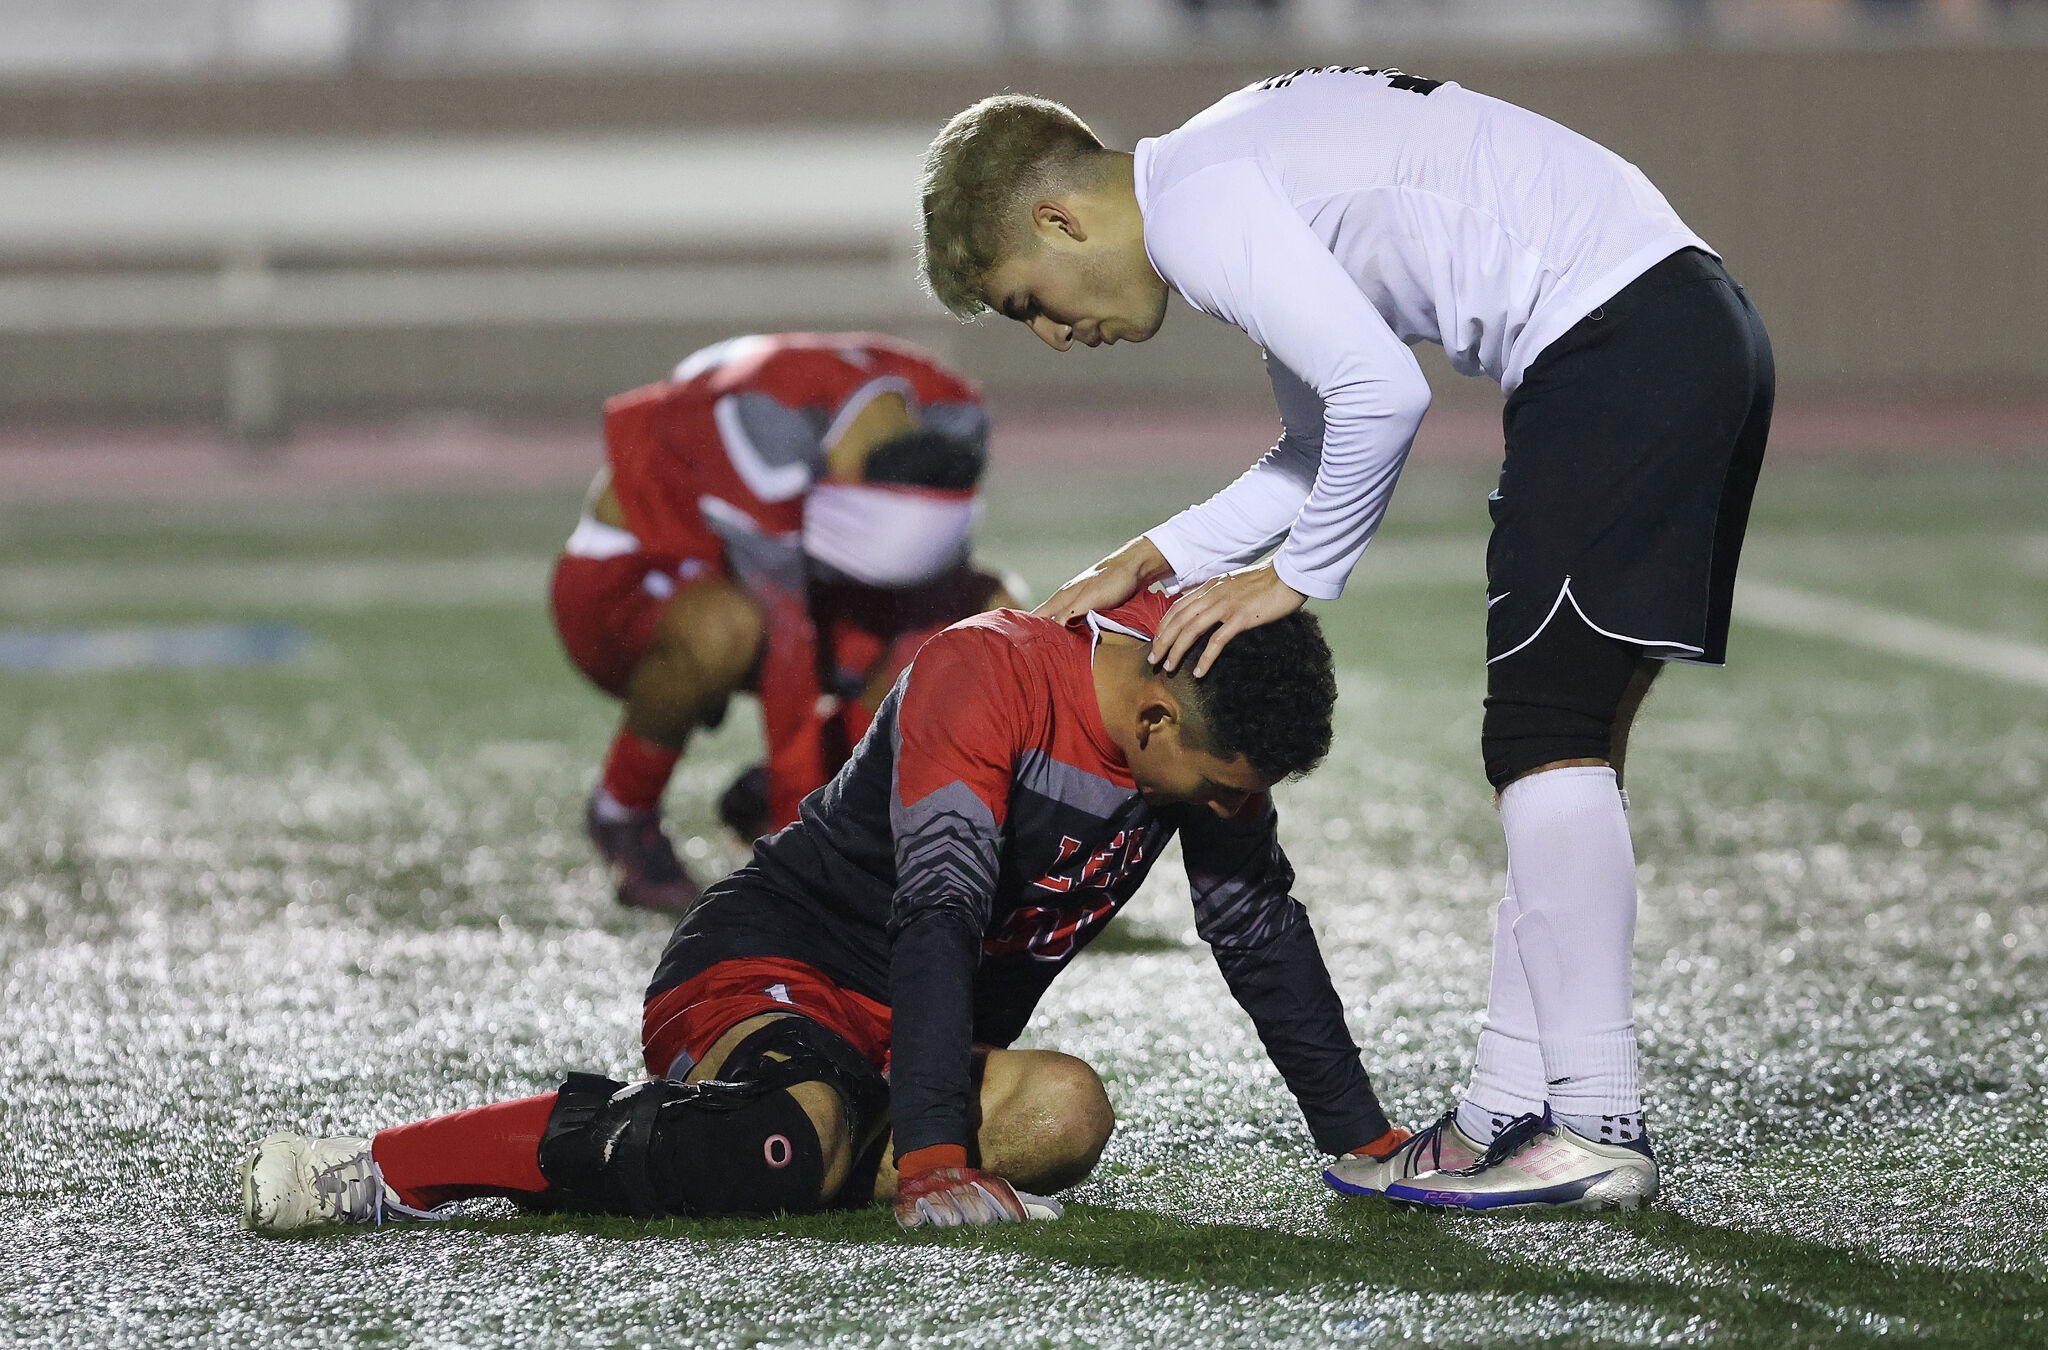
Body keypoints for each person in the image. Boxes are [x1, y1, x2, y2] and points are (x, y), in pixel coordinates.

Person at [918, 68, 1774, 1211]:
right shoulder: (1217, 173)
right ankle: (1502, 1113)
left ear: (1057, 219)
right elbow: (1316, 441)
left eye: (1028, 300)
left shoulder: (1200, 205)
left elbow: (1380, 394)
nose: (1054, 335)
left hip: (1617, 346)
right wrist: (1153, 554)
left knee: (1544, 742)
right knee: (1549, 751)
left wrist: (1293, 577)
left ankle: (1591, 1123)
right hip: (1669, 328)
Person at [240, 590, 1405, 1233]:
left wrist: (1365, 1143)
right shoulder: (988, 673)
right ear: (1153, 723)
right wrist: (939, 1157)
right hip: (764, 966)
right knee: (797, 1127)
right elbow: (939, 910)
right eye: (1217, 790)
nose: (1223, 814)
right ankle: (387, 1168)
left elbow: (1257, 932)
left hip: (905, 1031)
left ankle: (791, 1144)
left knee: (1062, 1114)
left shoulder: (1199, 708)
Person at [552, 331, 1020, 912]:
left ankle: (829, 796)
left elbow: (935, 576)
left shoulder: (954, 410)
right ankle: (624, 813)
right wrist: (805, 839)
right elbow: (786, 640)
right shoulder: (760, 421)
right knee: (726, 627)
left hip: (801, 581)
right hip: (636, 582)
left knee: (982, 620)